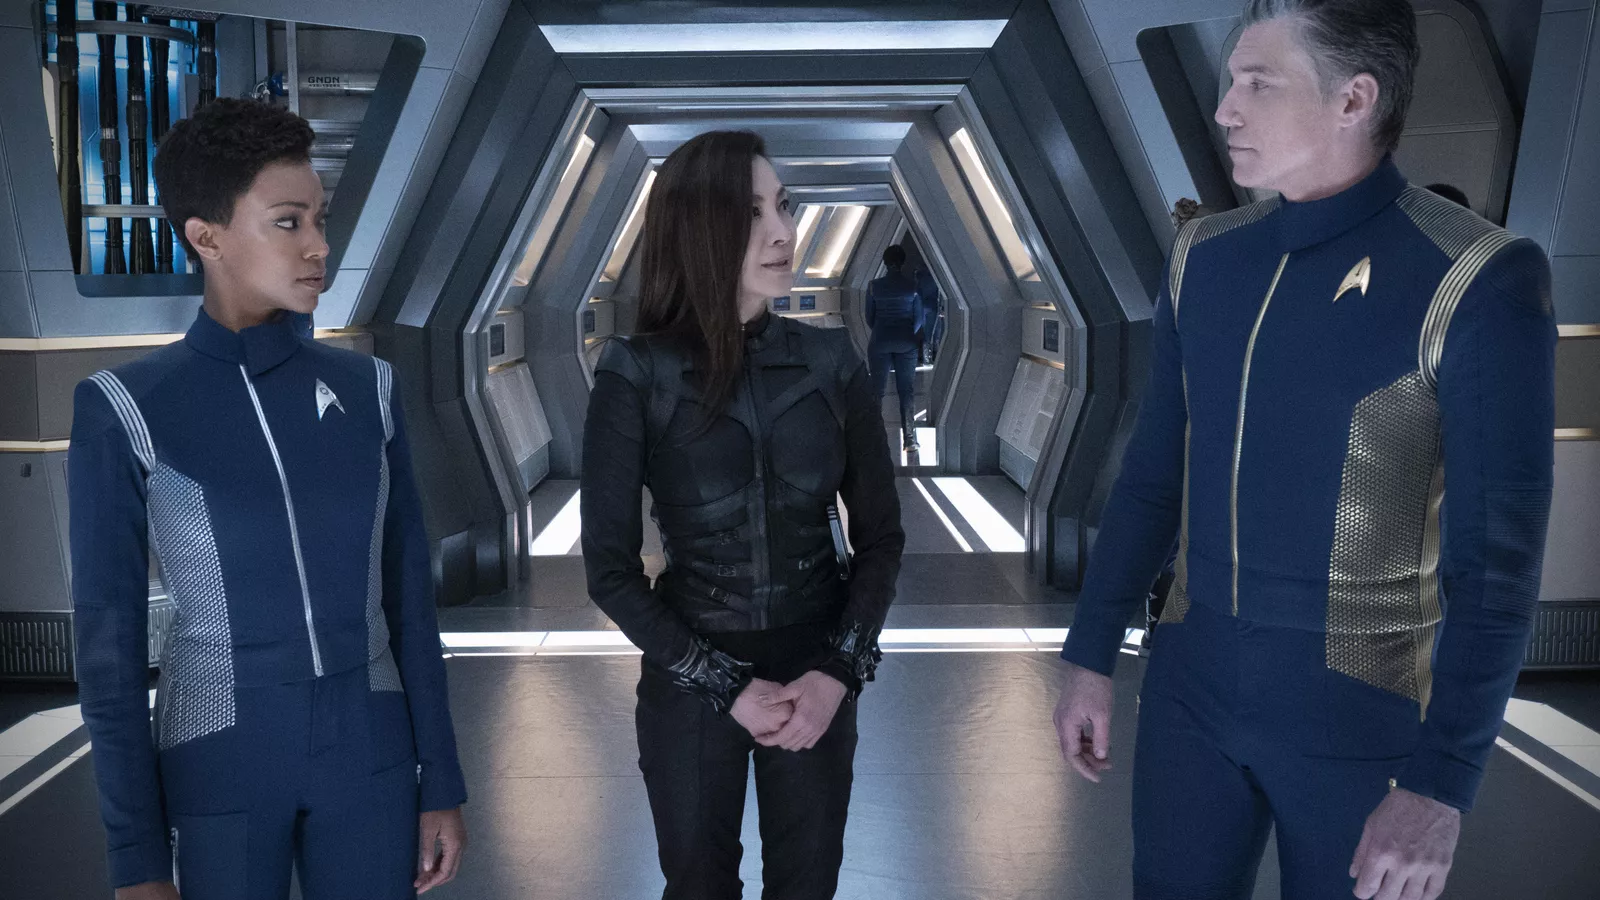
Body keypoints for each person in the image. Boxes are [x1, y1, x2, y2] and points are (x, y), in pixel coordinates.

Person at [1051, 3, 1555, 900]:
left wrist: (1443, 784)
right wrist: (1090, 652)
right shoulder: (1204, 259)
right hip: (1189, 698)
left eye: (1258, 83)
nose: (1225, 109)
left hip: (1363, 716)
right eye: (1230, 81)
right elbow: (1154, 477)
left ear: (1354, 99)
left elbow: (1496, 570)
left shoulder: (1474, 277)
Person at [69, 98, 467, 900]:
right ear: (205, 236)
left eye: (320, 219)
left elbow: (409, 602)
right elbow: (107, 651)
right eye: (288, 222)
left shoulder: (370, 388)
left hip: (372, 746)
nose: (319, 245)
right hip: (219, 748)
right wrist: (135, 859)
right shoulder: (126, 406)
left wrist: (443, 781)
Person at [581, 130, 905, 900]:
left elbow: (882, 538)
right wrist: (724, 685)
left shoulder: (832, 361)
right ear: (699, 227)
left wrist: (837, 673)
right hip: (689, 676)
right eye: (753, 213)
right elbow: (610, 573)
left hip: (816, 668)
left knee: (808, 886)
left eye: (783, 207)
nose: (784, 231)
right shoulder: (637, 372)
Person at [863, 244, 924, 452]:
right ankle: (909, 439)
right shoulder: (913, 287)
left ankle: (874, 439)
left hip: (880, 340)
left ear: (884, 262)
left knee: (877, 391)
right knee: (906, 391)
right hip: (906, 342)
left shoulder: (873, 286)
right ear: (903, 262)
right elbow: (919, 319)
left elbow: (869, 317)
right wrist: (906, 333)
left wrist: (882, 331)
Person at [913, 262, 942, 365]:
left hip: (923, 308)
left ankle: (927, 358)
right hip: (933, 307)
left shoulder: (919, 279)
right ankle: (934, 357)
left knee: (927, 333)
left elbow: (917, 294)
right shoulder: (935, 279)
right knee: (936, 333)